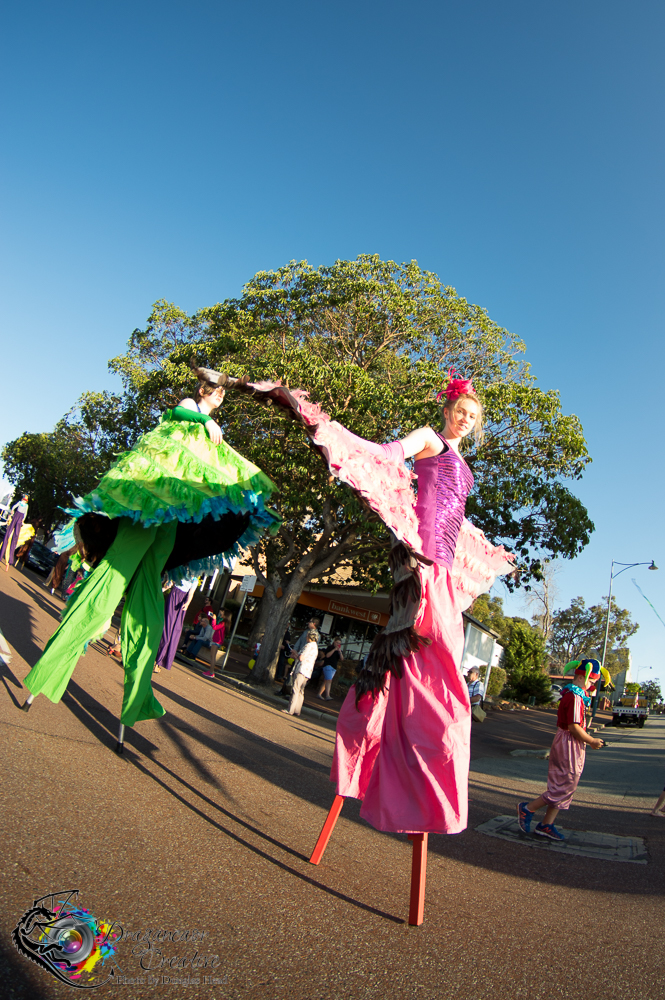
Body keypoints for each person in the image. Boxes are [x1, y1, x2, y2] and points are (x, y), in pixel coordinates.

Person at [226, 370, 514, 835]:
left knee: (422, 668)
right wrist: (337, 435)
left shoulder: (460, 458)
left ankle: (397, 761)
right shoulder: (431, 439)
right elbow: (386, 456)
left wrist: (479, 548)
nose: (464, 420)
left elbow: (456, 515)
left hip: (441, 566)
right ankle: (414, 766)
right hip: (418, 559)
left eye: (472, 417)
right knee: (437, 674)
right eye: (460, 412)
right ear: (446, 411)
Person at [21, 365, 279, 742]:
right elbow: (181, 412)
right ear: (203, 388)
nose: (219, 396)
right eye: (215, 389)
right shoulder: (192, 408)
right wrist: (203, 422)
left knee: (148, 607)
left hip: (170, 525)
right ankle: (48, 672)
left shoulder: (213, 434)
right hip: (146, 513)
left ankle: (136, 701)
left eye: (223, 392)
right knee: (106, 587)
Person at [518, 659, 604, 841]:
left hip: (571, 742)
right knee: (565, 784)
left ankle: (546, 824)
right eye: (592, 681)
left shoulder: (576, 695)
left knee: (566, 783)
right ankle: (528, 808)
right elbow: (573, 726)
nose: (592, 685)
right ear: (582, 677)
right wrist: (592, 741)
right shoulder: (574, 697)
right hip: (568, 742)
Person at [153, 578, 199, 673]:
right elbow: (169, 583)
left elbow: (191, 593)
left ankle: (159, 661)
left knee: (174, 631)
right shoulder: (181, 570)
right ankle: (156, 660)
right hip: (174, 596)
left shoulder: (194, 579)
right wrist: (162, 589)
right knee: (167, 629)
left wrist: (187, 603)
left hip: (182, 600)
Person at [283, 630, 319, 717]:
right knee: (301, 691)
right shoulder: (315, 647)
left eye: (307, 636)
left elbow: (302, 657)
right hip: (308, 671)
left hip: (301, 669)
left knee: (295, 689)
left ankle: (290, 709)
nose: (306, 637)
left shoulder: (308, 645)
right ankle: (297, 710)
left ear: (310, 637)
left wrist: (296, 654)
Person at [0, 495, 29, 570]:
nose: (24, 501)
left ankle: (9, 562)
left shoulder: (26, 506)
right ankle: (1, 557)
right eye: (24, 499)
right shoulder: (19, 503)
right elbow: (14, 506)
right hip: (16, 514)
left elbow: (25, 513)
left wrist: (23, 519)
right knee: (8, 534)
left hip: (20, 516)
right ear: (22, 499)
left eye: (25, 500)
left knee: (16, 535)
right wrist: (12, 512)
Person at [203, 609, 232, 679]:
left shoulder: (223, 623)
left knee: (213, 656)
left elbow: (214, 627)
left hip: (216, 641)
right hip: (217, 640)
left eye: (223, 613)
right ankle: (211, 671)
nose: (221, 614)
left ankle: (211, 672)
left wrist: (214, 619)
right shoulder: (224, 622)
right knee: (212, 656)